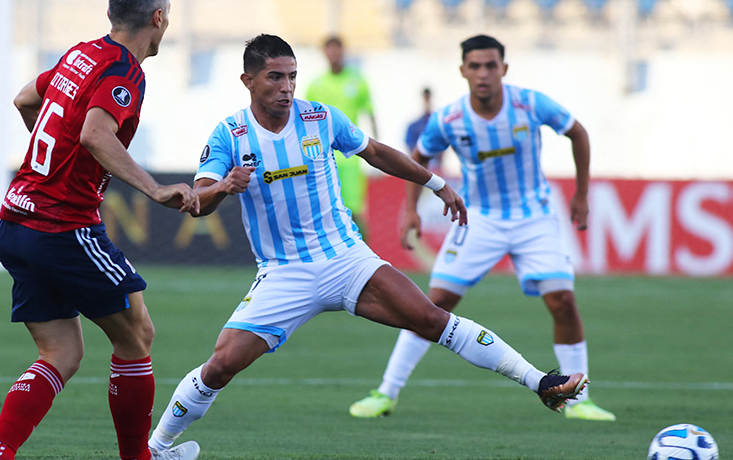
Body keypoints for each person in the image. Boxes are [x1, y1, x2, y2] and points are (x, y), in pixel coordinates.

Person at [147, 34, 588, 455]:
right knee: (221, 365)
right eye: (275, 78)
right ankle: (158, 448)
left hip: (345, 258)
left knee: (432, 319)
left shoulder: (321, 117)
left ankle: (540, 383)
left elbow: (376, 152)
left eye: (292, 77)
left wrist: (435, 183)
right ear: (248, 81)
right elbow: (197, 202)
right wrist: (225, 186)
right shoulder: (229, 135)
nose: (286, 88)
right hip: (284, 272)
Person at [349, 34, 615, 422]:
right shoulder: (450, 118)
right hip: (479, 219)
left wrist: (582, 194)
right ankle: (385, 392)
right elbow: (419, 155)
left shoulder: (529, 104)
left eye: (491, 65)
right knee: (431, 305)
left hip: (533, 217)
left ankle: (581, 401)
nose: (483, 73)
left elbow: (578, 133)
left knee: (563, 301)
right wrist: (410, 210)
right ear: (463, 71)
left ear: (504, 69)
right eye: (475, 66)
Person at [0, 1, 202, 459]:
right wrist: (153, 189)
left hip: (16, 221)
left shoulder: (80, 54)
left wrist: (55, 161)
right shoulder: (124, 71)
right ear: (158, 17)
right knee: (136, 334)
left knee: (60, 354)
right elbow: (95, 135)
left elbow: (26, 99)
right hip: (60, 225)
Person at [305, 36, 377, 232]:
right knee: (324, 208)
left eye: (337, 49)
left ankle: (365, 256)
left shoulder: (357, 81)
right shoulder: (316, 84)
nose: (334, 54)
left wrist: (377, 151)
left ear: (344, 51)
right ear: (324, 53)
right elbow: (305, 121)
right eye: (330, 49)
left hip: (351, 156)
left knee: (355, 210)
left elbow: (370, 114)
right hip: (322, 155)